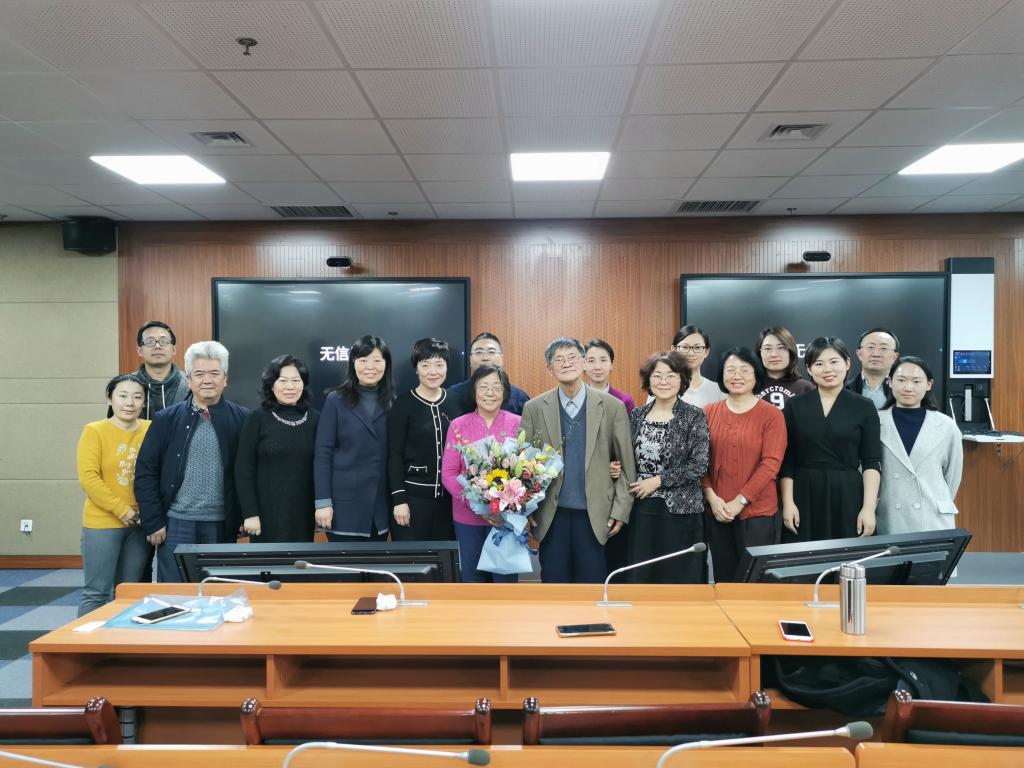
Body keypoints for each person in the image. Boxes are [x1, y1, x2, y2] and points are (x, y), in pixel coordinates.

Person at [520, 337, 636, 584]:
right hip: (551, 515)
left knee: (592, 587)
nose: (566, 363)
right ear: (549, 368)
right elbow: (524, 465)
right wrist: (525, 508)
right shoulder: (534, 408)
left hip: (595, 514)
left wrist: (621, 510)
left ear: (583, 362)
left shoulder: (612, 407)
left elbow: (626, 465)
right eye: (559, 360)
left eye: (572, 357)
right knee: (554, 585)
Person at [135, 341, 249, 582]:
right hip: (176, 521)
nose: (207, 380)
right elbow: (146, 472)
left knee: (218, 591)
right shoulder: (166, 419)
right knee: (175, 593)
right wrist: (153, 521)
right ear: (188, 379)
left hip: (222, 523)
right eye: (199, 374)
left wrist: (243, 515)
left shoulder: (243, 419)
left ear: (225, 379)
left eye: (214, 373)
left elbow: (249, 473)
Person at [780, 337, 881, 543]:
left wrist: (869, 508)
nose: (828, 369)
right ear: (809, 369)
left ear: (848, 363)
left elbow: (871, 462)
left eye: (834, 361)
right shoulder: (795, 406)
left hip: (848, 494)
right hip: (804, 493)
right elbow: (788, 460)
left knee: (848, 556)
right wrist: (788, 503)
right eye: (819, 364)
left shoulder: (864, 406)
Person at [703, 348, 787, 582]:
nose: (736, 376)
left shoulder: (772, 415)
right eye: (730, 370)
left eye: (744, 370)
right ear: (722, 375)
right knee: (724, 580)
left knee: (755, 583)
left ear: (756, 374)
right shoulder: (708, 412)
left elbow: (771, 464)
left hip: (757, 513)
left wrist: (740, 501)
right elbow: (699, 461)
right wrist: (712, 498)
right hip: (718, 511)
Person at [627, 351, 709, 583]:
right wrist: (617, 466)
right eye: (657, 375)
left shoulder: (694, 415)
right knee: (642, 574)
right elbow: (627, 456)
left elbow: (699, 465)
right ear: (648, 380)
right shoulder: (637, 415)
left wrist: (658, 481)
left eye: (671, 375)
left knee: (677, 577)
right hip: (641, 508)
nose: (663, 381)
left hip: (681, 511)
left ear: (682, 380)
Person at [77, 375, 152, 615]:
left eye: (137, 397)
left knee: (127, 593)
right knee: (97, 592)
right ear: (110, 399)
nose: (130, 402)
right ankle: (86, 640)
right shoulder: (95, 430)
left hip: (139, 525)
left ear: (144, 402)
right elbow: (89, 478)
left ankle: (119, 639)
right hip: (103, 523)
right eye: (123, 396)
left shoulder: (151, 429)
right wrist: (122, 510)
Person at [441, 364, 522, 582]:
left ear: (505, 392)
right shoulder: (458, 425)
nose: (490, 392)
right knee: (472, 580)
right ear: (474, 391)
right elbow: (449, 473)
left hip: (505, 519)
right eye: (483, 387)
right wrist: (477, 504)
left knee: (505, 581)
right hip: (467, 517)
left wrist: (506, 505)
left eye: (496, 387)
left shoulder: (518, 423)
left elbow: (525, 470)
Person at [314, 335, 394, 542]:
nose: (370, 367)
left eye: (377, 360)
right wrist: (323, 502)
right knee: (345, 563)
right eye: (363, 360)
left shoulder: (393, 402)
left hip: (379, 507)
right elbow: (322, 454)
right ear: (353, 363)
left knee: (377, 563)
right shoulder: (336, 400)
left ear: (386, 364)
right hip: (343, 507)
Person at [234, 355, 319, 543]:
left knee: (300, 560)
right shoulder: (256, 418)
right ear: (271, 385)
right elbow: (243, 469)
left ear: (303, 384)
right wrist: (250, 513)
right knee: (267, 561)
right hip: (264, 516)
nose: (290, 386)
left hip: (303, 514)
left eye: (296, 380)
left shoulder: (315, 419)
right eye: (283, 380)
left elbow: (322, 466)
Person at [877, 356, 963, 535]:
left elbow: (952, 476)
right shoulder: (875, 422)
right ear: (890, 382)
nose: (908, 387)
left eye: (916, 381)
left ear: (929, 384)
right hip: (891, 515)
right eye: (901, 380)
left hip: (932, 516)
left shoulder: (946, 426)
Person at [388, 338, 462, 542]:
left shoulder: (456, 402)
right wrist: (399, 500)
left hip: (449, 501)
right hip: (412, 501)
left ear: (447, 367)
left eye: (439, 364)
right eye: (425, 365)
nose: (433, 371)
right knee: (412, 558)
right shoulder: (403, 404)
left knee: (446, 557)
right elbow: (394, 454)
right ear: (416, 368)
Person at [447, 332, 530, 416]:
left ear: (501, 358)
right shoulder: (453, 395)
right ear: (470, 359)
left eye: (491, 352)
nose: (485, 358)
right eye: (479, 352)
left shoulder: (520, 398)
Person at [134, 320, 189, 418]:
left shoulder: (190, 384)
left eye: (163, 341)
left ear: (173, 349)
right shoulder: (125, 384)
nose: (157, 346)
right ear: (139, 350)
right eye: (150, 342)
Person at [755, 326, 815, 409]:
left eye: (781, 348)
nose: (774, 354)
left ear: (791, 351)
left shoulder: (807, 389)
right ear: (760, 353)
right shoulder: (750, 387)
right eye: (767, 348)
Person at [671, 325, 727, 407]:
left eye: (697, 347)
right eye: (685, 347)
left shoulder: (719, 391)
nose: (691, 353)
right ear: (673, 350)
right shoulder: (661, 387)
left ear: (706, 352)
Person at [847, 327, 900, 410]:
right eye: (871, 347)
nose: (876, 354)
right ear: (859, 354)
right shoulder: (844, 390)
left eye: (884, 348)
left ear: (895, 357)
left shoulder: (905, 390)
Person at [583, 338, 635, 414]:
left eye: (603, 360)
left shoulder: (624, 400)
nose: (598, 367)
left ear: (611, 365)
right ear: (583, 365)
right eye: (591, 361)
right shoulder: (576, 399)